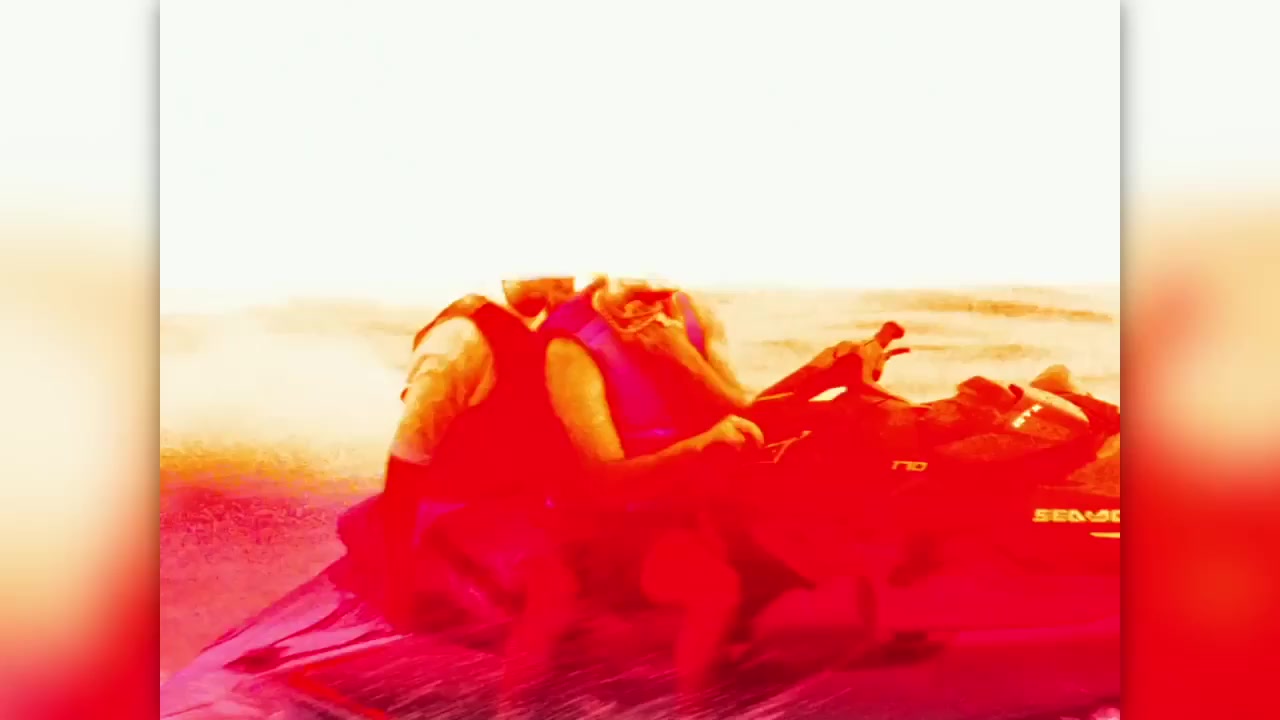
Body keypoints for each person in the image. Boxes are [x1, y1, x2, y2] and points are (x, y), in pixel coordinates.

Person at [341, 276, 582, 718]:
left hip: (518, 505)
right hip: (451, 510)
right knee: (554, 592)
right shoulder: (459, 343)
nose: (571, 284)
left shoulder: (560, 323)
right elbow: (407, 461)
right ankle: (513, 711)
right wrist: (399, 576)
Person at [539, 277, 767, 717]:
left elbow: (744, 409)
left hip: (694, 503)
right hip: (609, 524)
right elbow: (604, 481)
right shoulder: (573, 347)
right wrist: (699, 448)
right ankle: (691, 709)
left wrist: (683, 358)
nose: (658, 303)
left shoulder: (694, 314)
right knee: (716, 590)